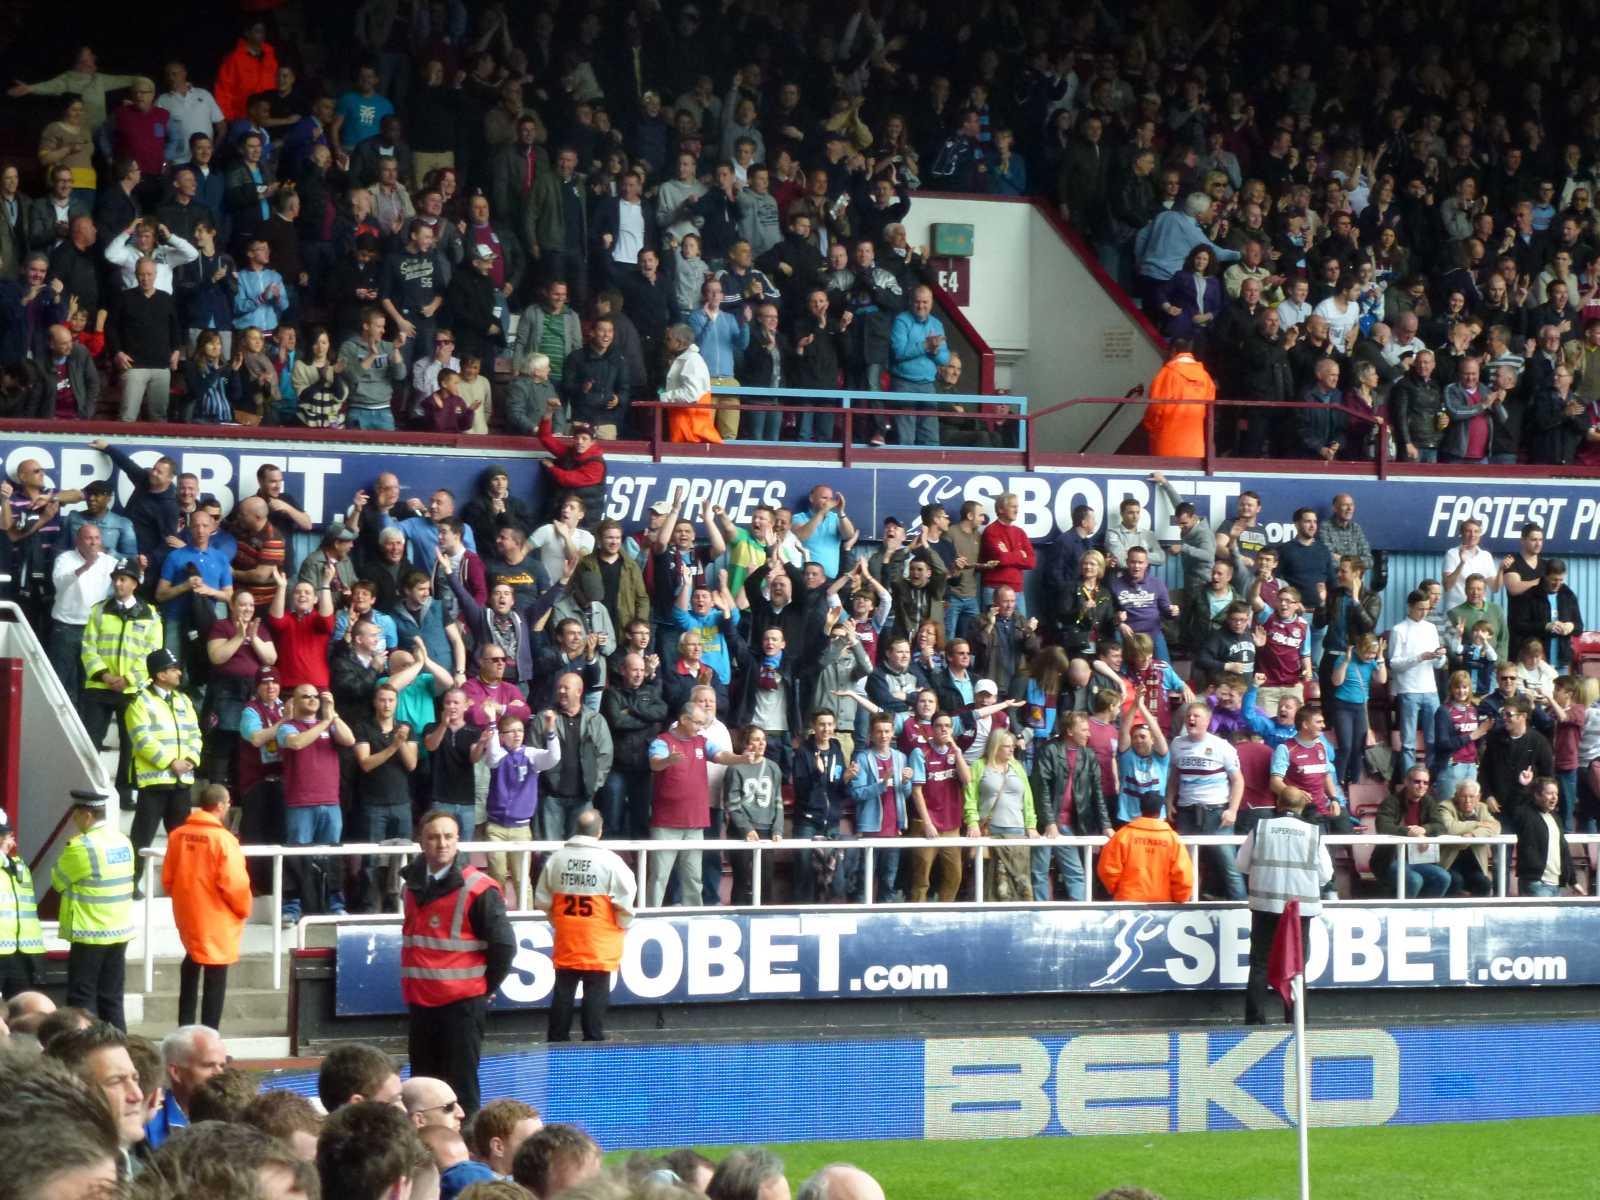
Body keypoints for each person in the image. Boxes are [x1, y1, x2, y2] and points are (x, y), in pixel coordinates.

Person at [401, 809, 517, 1117]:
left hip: (462, 1007)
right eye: (433, 837)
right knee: (422, 1090)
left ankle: (464, 1157)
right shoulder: (410, 886)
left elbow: (504, 946)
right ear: (421, 842)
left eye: (448, 837)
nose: (442, 844)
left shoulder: (479, 888)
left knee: (460, 1092)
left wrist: (483, 988)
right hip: (421, 1005)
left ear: (458, 840)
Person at [534, 808, 637, 1043]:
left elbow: (542, 900)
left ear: (576, 829)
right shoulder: (611, 861)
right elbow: (626, 901)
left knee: (563, 991)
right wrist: (623, 924)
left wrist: (558, 920)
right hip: (600, 942)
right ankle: (593, 1040)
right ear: (599, 831)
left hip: (567, 938)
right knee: (596, 993)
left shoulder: (556, 859)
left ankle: (557, 1040)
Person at [1235, 784, 1334, 1025]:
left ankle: (1255, 1020)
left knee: (1259, 963)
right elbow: (1326, 874)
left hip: (1265, 906)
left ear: (1278, 804)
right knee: (1296, 966)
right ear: (1301, 807)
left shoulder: (1260, 828)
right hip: (1300, 910)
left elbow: (1241, 864)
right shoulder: (1313, 832)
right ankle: (1296, 1020)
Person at [161, 785, 251, 1031]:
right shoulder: (224, 840)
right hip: (217, 917)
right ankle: (209, 1038)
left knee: (191, 964)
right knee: (216, 974)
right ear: (221, 806)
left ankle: (184, 1031)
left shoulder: (178, 835)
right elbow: (235, 883)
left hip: (188, 913)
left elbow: (168, 878)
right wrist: (244, 909)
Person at [51, 790, 134, 1030]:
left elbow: (58, 880)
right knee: (112, 998)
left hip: (90, 932)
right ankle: (122, 1050)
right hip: (119, 931)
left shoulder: (81, 846)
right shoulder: (123, 840)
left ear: (86, 815)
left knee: (81, 999)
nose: (74, 820)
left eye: (75, 815)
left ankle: (86, 1053)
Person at [124, 647, 202, 868]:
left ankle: (183, 884)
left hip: (181, 782)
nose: (179, 673)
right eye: (174, 669)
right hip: (154, 782)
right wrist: (171, 762)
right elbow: (142, 739)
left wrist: (191, 759)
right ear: (160, 674)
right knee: (142, 837)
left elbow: (195, 733)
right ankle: (132, 883)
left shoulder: (184, 700)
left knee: (183, 841)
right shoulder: (140, 701)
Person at [1167, 701, 1246, 900]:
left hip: (1216, 812)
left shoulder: (1222, 746)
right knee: (1184, 863)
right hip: (1187, 810)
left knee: (1228, 864)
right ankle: (1184, 903)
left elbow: (1237, 780)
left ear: (1208, 721)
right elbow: (1174, 776)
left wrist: (1233, 810)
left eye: (1196, 716)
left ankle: (1241, 909)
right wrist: (1169, 801)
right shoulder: (1177, 744)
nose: (1191, 719)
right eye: (1188, 716)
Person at [1096, 790, 1194, 902]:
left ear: (1141, 808)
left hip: (1127, 901)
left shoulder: (1123, 835)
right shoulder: (1172, 839)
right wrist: (1180, 898)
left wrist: (1118, 890)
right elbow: (1184, 876)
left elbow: (1107, 869)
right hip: (1163, 903)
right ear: (1160, 810)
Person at [144, 1024, 228, 1150]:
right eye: (208, 1065)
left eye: (222, 1066)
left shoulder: (235, 1113)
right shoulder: (147, 1123)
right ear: (176, 1072)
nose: (220, 1074)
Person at [1510, 777, 1584, 897]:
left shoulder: (1556, 818)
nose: (1554, 797)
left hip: (1556, 885)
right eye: (1550, 793)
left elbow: (1563, 851)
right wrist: (1520, 786)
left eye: (1556, 794)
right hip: (1536, 884)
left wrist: (1573, 881)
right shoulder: (1526, 815)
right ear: (1537, 796)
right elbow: (1514, 808)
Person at [1144, 339, 1215, 456]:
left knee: (1165, 472)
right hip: (1195, 446)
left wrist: (1150, 426)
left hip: (1166, 442)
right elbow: (1209, 410)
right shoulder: (1205, 376)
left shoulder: (1167, 374)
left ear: (1173, 351)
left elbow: (1155, 407)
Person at [0, 810, 44, 997]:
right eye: (7, 837)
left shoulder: (18, 866)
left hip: (22, 954)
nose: (12, 843)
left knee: (22, 1013)